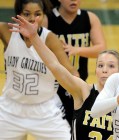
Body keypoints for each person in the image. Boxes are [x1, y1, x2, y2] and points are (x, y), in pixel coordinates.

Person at [8, 15, 119, 140]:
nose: (104, 70)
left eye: (111, 66)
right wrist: (34, 37)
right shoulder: (84, 91)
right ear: (96, 70)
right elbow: (55, 66)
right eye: (100, 65)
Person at [0, 0, 79, 139]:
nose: (32, 18)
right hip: (10, 110)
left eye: (37, 14)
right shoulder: (7, 31)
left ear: (43, 16)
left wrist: (82, 90)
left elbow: (69, 70)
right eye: (26, 14)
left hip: (45, 110)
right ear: (18, 15)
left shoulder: (49, 39)